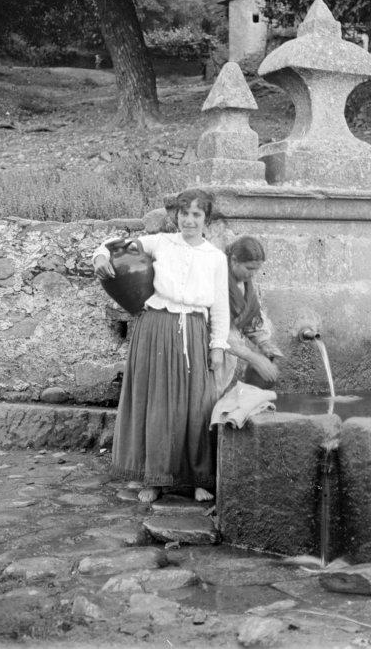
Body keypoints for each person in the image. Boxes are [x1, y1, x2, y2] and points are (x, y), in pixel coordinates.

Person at [94, 188, 229, 504]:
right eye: (184, 213)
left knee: (196, 404)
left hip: (194, 329)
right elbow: (113, 246)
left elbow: (220, 305)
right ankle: (153, 477)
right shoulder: (161, 242)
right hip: (155, 326)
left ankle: (196, 478)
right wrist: (100, 255)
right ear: (176, 216)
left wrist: (217, 346)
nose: (189, 220)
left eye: (196, 214)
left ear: (206, 219)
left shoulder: (216, 258)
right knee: (155, 402)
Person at [214, 236, 283, 395]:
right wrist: (253, 358)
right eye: (249, 268)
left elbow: (250, 318)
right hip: (211, 353)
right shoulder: (218, 279)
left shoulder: (246, 284)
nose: (253, 274)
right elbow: (218, 327)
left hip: (229, 356)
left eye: (256, 269)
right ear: (234, 260)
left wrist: (264, 343)